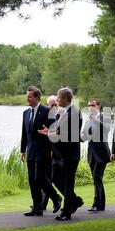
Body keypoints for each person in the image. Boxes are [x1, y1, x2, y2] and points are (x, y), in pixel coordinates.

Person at [38, 87, 84, 220]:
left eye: (58, 98)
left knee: (68, 183)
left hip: (70, 154)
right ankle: (74, 201)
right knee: (55, 178)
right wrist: (49, 132)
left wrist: (53, 135)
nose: (57, 100)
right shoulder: (61, 112)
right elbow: (58, 131)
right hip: (59, 154)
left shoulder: (75, 112)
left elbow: (72, 135)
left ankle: (66, 212)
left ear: (65, 98)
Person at [21, 86, 62, 216]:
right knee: (32, 179)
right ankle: (37, 208)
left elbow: (55, 131)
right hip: (31, 151)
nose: (28, 99)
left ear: (37, 97)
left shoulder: (46, 112)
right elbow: (25, 133)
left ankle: (56, 198)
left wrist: (51, 148)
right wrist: (23, 150)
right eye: (27, 96)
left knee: (40, 177)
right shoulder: (26, 113)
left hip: (43, 150)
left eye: (30, 97)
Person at [81, 99, 111, 212]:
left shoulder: (104, 117)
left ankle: (97, 203)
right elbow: (84, 137)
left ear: (98, 106)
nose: (90, 107)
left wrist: (96, 120)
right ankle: (100, 204)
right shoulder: (88, 121)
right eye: (88, 105)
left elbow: (107, 130)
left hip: (102, 152)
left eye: (92, 105)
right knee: (96, 178)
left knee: (97, 176)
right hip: (91, 153)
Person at [40, 95, 59, 210]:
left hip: (56, 153)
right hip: (45, 152)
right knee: (44, 178)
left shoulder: (61, 116)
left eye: (55, 104)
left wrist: (53, 150)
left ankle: (62, 200)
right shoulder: (45, 117)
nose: (54, 107)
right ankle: (42, 203)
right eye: (51, 105)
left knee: (53, 179)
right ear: (47, 105)